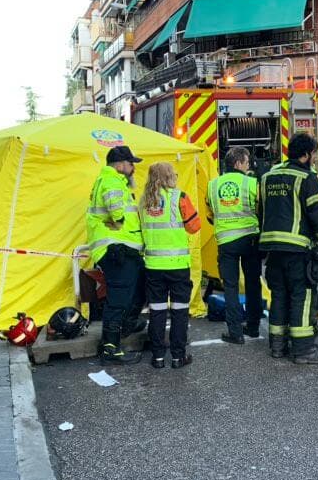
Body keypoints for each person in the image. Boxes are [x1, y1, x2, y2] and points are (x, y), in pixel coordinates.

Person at [259, 133, 318, 364]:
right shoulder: (307, 179)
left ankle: (277, 345)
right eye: (314, 154)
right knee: (301, 297)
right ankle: (303, 350)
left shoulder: (268, 177)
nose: (314, 158)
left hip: (272, 251)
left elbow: (262, 213)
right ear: (306, 155)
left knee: (279, 295)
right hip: (298, 250)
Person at [86, 145, 147, 365]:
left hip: (122, 249)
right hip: (116, 249)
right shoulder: (112, 181)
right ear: (121, 165)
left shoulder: (111, 180)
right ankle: (111, 346)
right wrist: (118, 221)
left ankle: (127, 325)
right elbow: (117, 214)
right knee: (119, 299)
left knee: (139, 287)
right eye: (131, 164)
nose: (133, 169)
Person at [140, 162, 201, 369]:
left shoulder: (144, 201)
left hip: (153, 266)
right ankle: (177, 357)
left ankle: (157, 357)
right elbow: (195, 227)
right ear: (168, 177)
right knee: (179, 311)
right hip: (177, 266)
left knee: (156, 312)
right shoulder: (179, 197)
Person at [206, 147, 262, 345]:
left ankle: (235, 332)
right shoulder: (252, 183)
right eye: (247, 163)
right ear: (238, 163)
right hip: (250, 239)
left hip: (226, 242)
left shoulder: (213, 186)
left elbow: (209, 215)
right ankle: (253, 327)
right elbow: (260, 209)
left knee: (230, 286)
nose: (248, 167)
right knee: (253, 283)